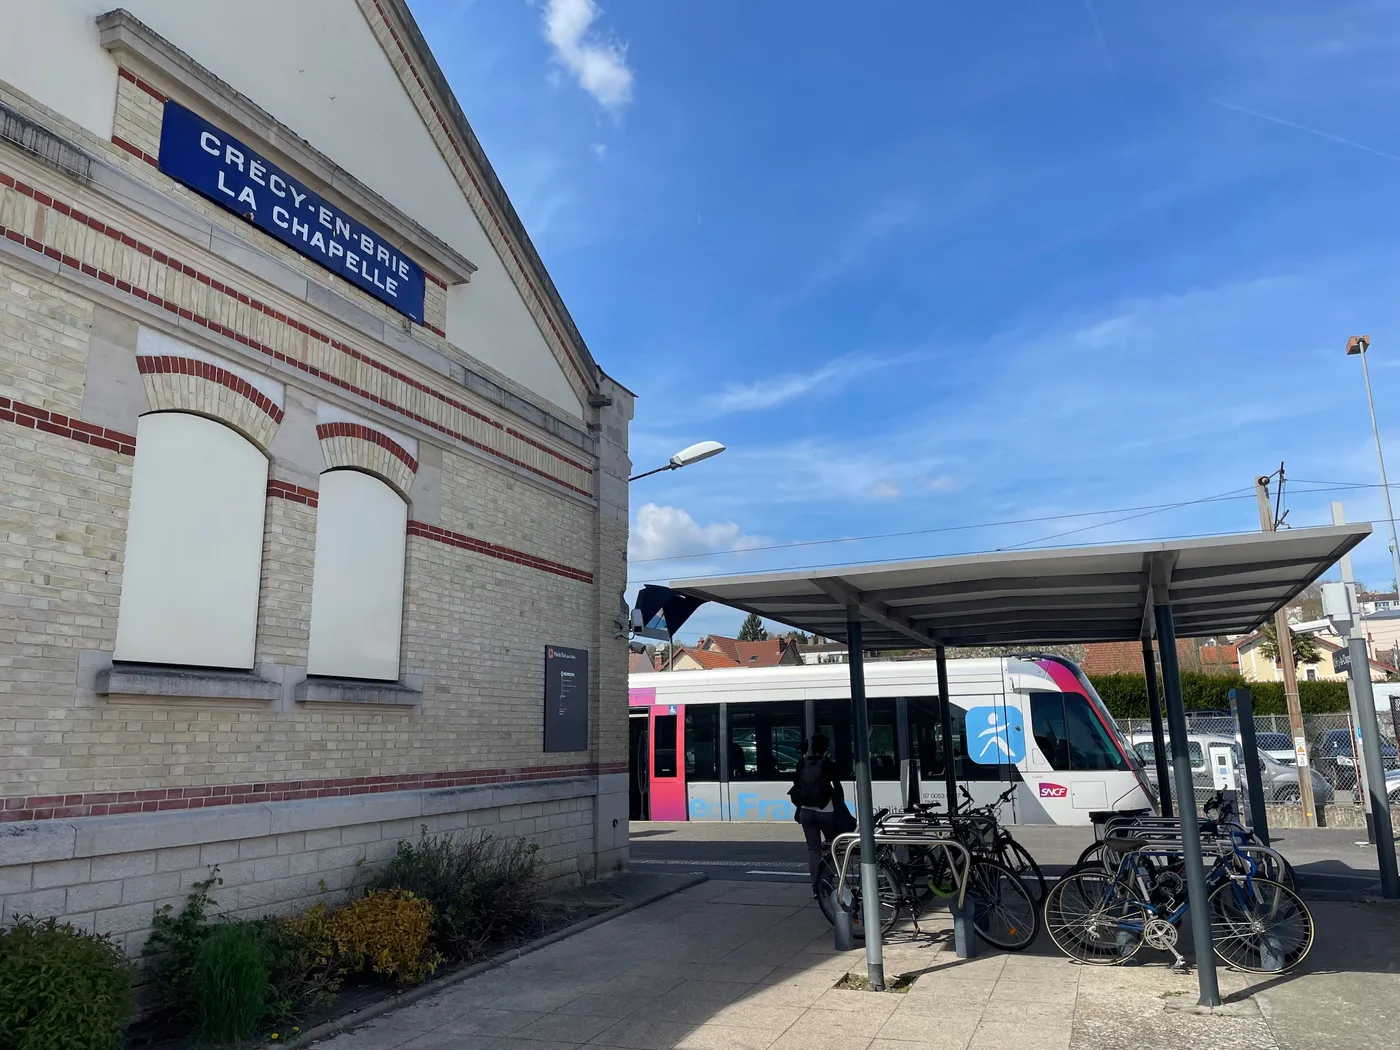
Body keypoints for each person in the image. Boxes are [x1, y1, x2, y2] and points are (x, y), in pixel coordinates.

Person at [791, 734, 844, 897]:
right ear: (826, 749)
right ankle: (827, 882)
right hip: (826, 811)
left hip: (806, 812)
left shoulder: (802, 764)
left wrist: (798, 809)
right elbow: (837, 787)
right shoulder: (828, 765)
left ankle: (816, 887)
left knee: (814, 850)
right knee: (831, 846)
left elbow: (796, 787)